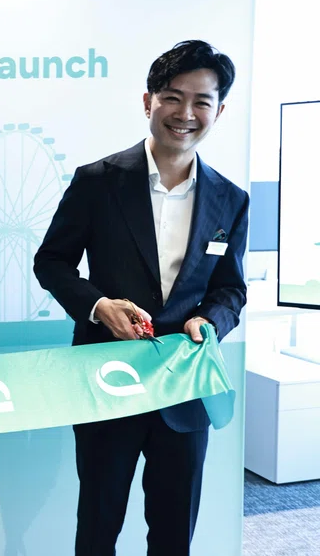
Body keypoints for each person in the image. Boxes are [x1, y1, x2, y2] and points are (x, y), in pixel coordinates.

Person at [34, 40, 249, 555]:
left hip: (184, 386)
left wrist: (209, 322)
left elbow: (230, 289)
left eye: (201, 101)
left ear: (219, 111)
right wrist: (98, 307)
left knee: (174, 533)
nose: (185, 113)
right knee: (98, 526)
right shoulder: (97, 181)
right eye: (173, 97)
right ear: (148, 100)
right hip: (107, 378)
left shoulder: (231, 199)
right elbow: (52, 262)